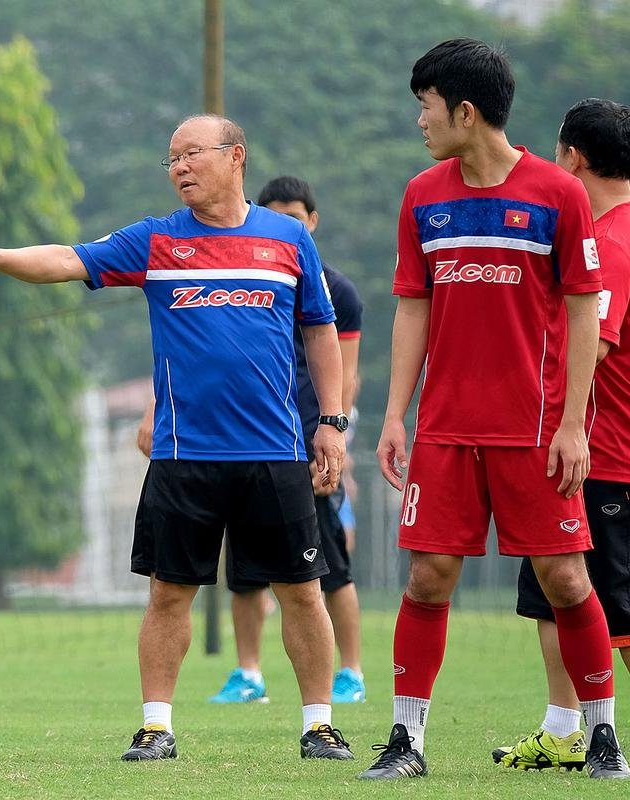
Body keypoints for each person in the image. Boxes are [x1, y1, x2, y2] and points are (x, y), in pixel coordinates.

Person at [0, 114, 352, 763]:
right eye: (171, 159)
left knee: (301, 592)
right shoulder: (157, 239)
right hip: (182, 454)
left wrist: (331, 423)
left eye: (192, 154)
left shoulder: (287, 238)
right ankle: (156, 726)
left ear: (235, 156)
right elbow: (67, 259)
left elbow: (321, 332)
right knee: (168, 593)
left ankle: (319, 726)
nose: (180, 168)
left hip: (275, 453)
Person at [360, 39, 628, 781]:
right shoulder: (423, 194)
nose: (420, 119)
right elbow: (412, 306)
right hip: (445, 429)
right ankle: (406, 743)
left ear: (465, 111)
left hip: (537, 429)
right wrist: (393, 416)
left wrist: (575, 421)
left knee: (567, 581)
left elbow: (583, 311)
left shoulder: (558, 193)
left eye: (427, 105)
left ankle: (603, 736)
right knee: (427, 579)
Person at [492, 99, 630, 775]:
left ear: (572, 157)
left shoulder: (611, 241)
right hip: (589, 447)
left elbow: (597, 346)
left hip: (611, 451)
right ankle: (562, 732)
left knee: (624, 600)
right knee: (551, 592)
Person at [198, 175, 367, 706]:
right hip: (250, 442)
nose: (286, 227)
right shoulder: (244, 270)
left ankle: (352, 672)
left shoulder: (336, 290)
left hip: (308, 446)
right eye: (275, 216)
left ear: (311, 222)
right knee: (245, 570)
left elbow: (347, 374)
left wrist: (335, 439)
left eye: (295, 218)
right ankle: (248, 673)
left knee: (329, 569)